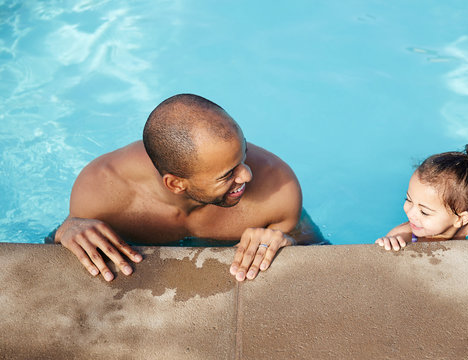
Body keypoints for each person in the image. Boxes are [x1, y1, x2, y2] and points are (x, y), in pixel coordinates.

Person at [54, 93, 326, 282]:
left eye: (243, 153)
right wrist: (65, 231)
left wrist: (289, 240)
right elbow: (71, 240)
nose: (247, 174)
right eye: (228, 174)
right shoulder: (101, 191)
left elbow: (322, 252)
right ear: (175, 184)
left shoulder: (278, 187)